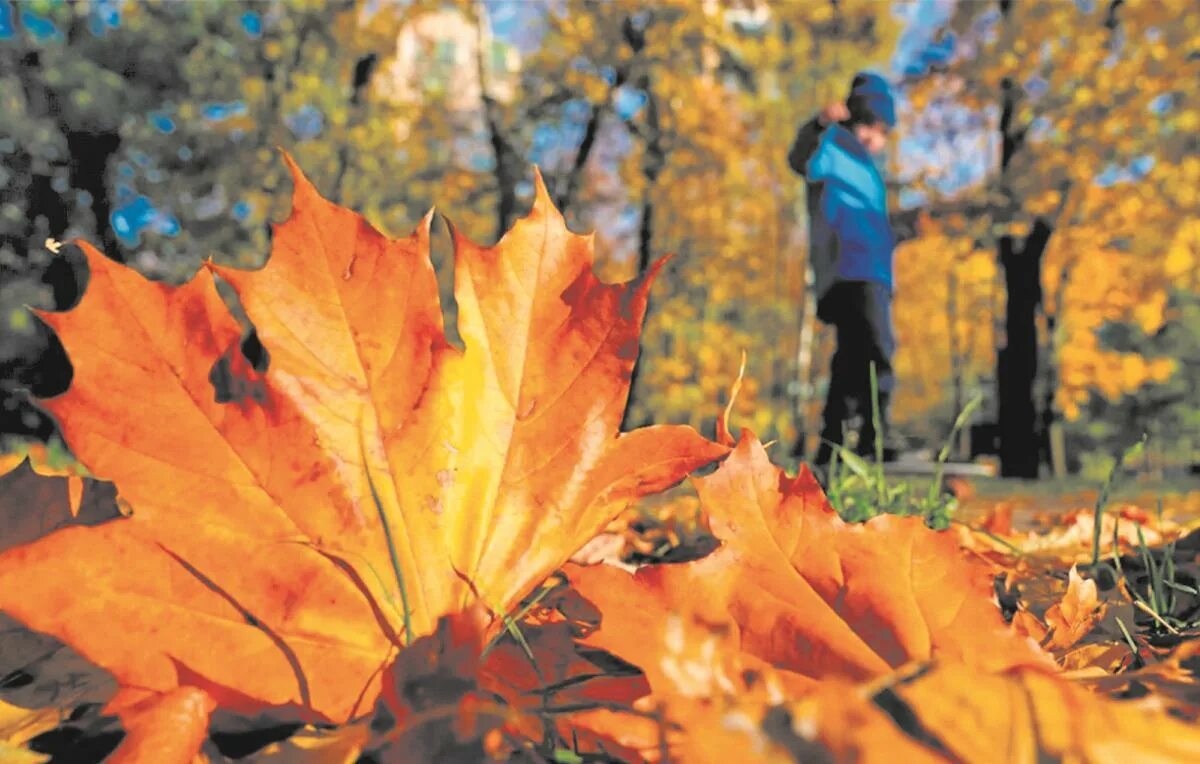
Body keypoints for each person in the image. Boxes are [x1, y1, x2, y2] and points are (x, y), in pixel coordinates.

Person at [788, 71, 899, 467]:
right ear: (855, 120)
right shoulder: (830, 148)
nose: (874, 137)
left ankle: (832, 446)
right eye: (870, 125)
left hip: (875, 271)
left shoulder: (872, 173)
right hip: (847, 268)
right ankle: (876, 437)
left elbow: (875, 225)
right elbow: (798, 159)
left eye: (882, 130)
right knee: (878, 349)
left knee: (851, 359)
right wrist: (818, 124)